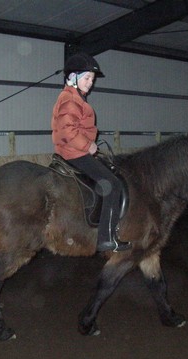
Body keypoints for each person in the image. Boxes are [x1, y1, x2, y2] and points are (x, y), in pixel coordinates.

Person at [51, 52, 131, 252]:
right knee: (112, 184)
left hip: (75, 151)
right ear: (73, 78)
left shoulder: (74, 97)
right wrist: (89, 146)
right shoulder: (70, 100)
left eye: (92, 79)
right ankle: (107, 238)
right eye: (87, 78)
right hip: (75, 153)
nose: (90, 83)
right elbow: (68, 130)